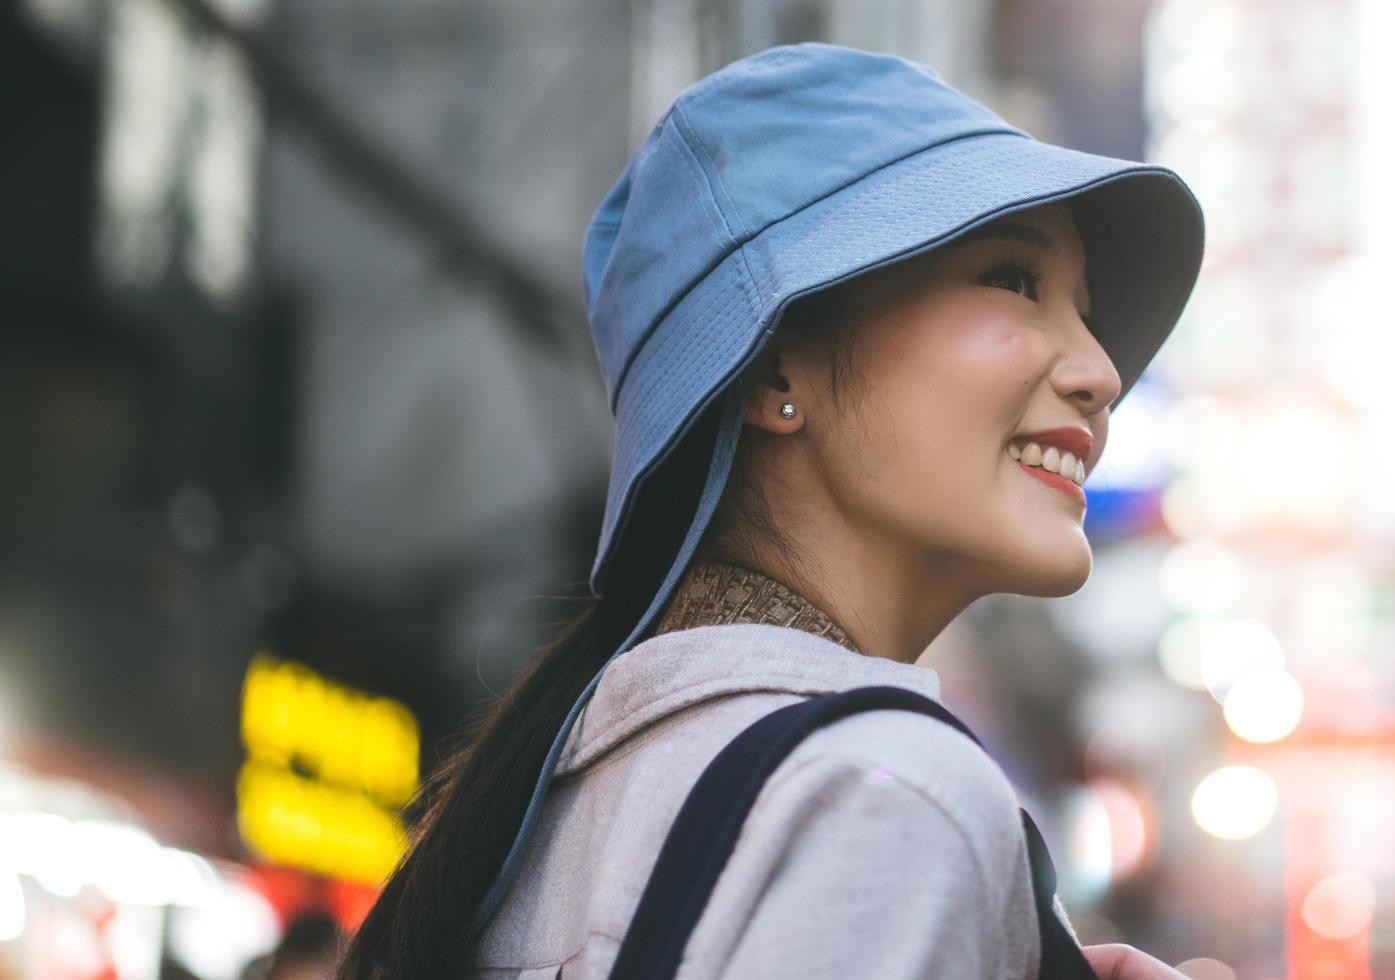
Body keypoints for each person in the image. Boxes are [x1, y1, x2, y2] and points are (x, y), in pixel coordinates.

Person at [336, 44, 1203, 979]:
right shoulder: (888, 794)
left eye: (1084, 308)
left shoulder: (553, 808)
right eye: (1015, 280)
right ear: (776, 369)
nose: (1102, 374)